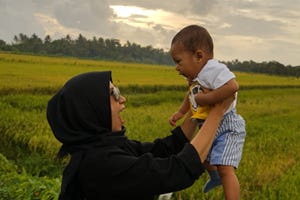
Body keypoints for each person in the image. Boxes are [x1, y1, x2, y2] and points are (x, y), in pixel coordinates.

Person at [47, 71, 234, 200]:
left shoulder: (106, 147)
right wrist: (217, 111)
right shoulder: (99, 164)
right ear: (92, 110)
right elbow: (175, 172)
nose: (122, 99)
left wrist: (197, 114)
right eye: (114, 93)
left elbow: (164, 149)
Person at [169, 25, 246, 200]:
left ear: (199, 56)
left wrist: (207, 100)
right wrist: (181, 112)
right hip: (210, 122)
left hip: (227, 124)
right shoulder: (196, 76)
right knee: (198, 156)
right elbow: (191, 94)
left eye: (179, 61)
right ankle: (215, 177)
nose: (177, 68)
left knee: (225, 168)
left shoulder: (212, 69)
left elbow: (232, 86)